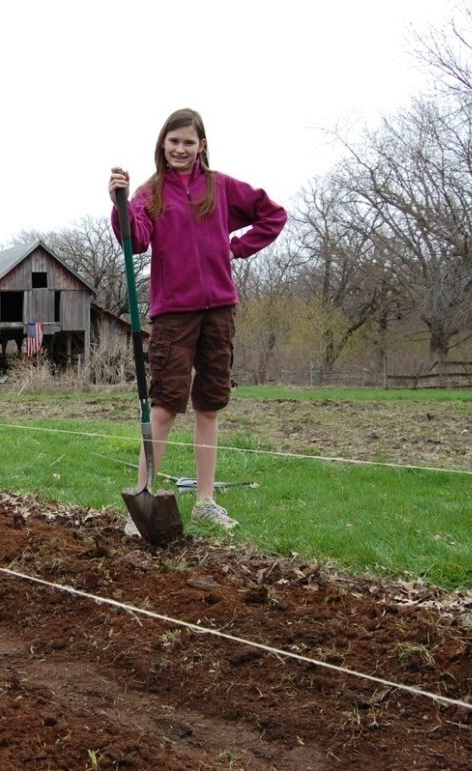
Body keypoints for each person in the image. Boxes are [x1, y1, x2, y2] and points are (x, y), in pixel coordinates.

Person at [109, 107, 287, 530]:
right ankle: (144, 499)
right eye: (174, 142)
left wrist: (236, 248)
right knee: (165, 407)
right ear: (163, 144)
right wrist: (119, 203)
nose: (181, 149)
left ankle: (205, 500)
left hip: (219, 309)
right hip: (173, 313)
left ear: (201, 146)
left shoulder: (220, 187)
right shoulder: (150, 194)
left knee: (209, 405)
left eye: (189, 142)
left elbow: (273, 215)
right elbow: (134, 239)